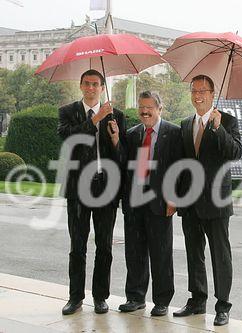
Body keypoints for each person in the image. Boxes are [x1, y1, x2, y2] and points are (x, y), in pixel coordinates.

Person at [175, 75, 242, 326]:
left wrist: (219, 128)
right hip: (190, 202)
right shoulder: (185, 124)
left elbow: (235, 152)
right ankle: (197, 299)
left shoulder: (227, 121)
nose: (197, 95)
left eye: (203, 91)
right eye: (194, 90)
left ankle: (223, 306)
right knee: (194, 254)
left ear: (212, 94)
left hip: (217, 202)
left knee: (220, 256)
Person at [57, 69, 126, 315]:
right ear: (80, 86)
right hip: (78, 189)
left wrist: (117, 139)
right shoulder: (68, 112)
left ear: (102, 87)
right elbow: (68, 140)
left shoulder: (116, 115)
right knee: (78, 246)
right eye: (86, 84)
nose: (91, 88)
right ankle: (75, 297)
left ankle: (100, 297)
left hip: (105, 188)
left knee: (105, 246)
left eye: (95, 84)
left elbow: (123, 157)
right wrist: (95, 120)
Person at [116, 91, 181, 317]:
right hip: (134, 202)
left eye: (149, 108)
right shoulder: (132, 134)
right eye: (141, 107)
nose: (144, 112)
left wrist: (174, 198)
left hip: (160, 202)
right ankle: (135, 297)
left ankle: (162, 301)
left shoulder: (173, 133)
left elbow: (180, 167)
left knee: (161, 253)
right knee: (134, 252)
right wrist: (116, 139)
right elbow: (123, 165)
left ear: (159, 109)